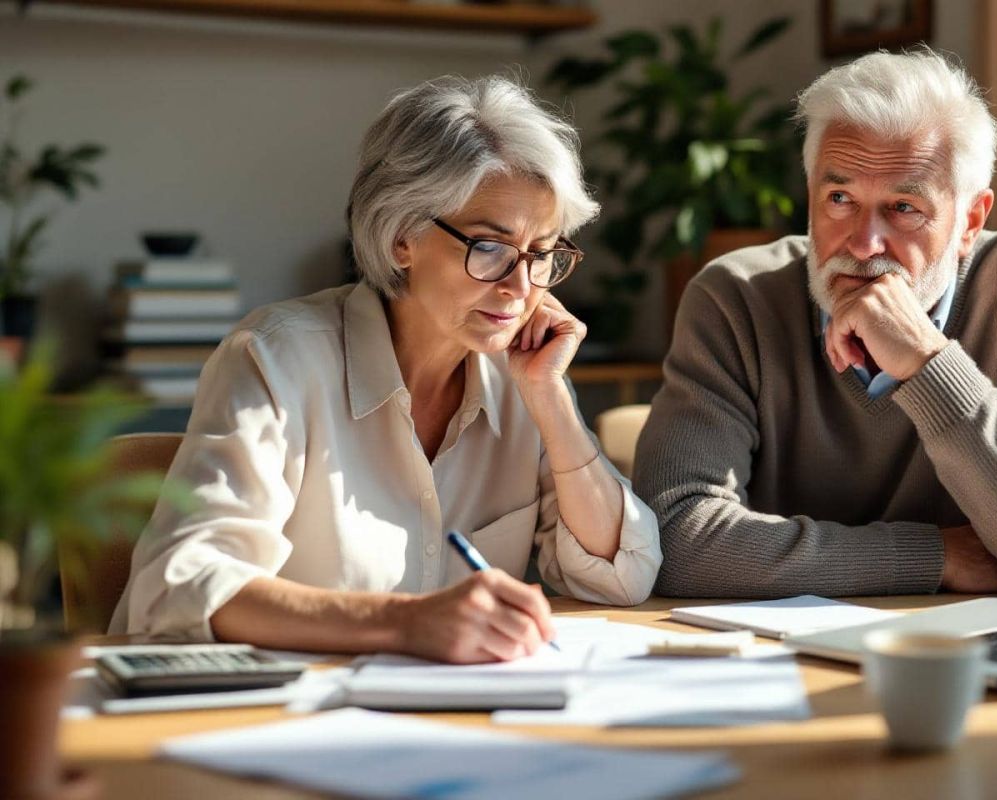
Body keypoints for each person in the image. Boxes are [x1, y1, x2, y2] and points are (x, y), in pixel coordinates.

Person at [113, 76, 662, 662]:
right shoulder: (275, 358)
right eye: (490, 247)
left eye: (542, 253)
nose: (520, 286)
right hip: (277, 717)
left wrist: (549, 399)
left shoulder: (522, 374)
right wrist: (406, 623)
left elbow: (619, 576)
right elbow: (180, 585)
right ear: (403, 236)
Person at [634, 50, 997, 601]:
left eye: (903, 207)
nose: (863, 245)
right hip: (777, 655)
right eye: (839, 199)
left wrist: (928, 364)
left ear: (970, 221)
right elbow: (672, 540)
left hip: (962, 652)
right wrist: (937, 557)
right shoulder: (735, 299)